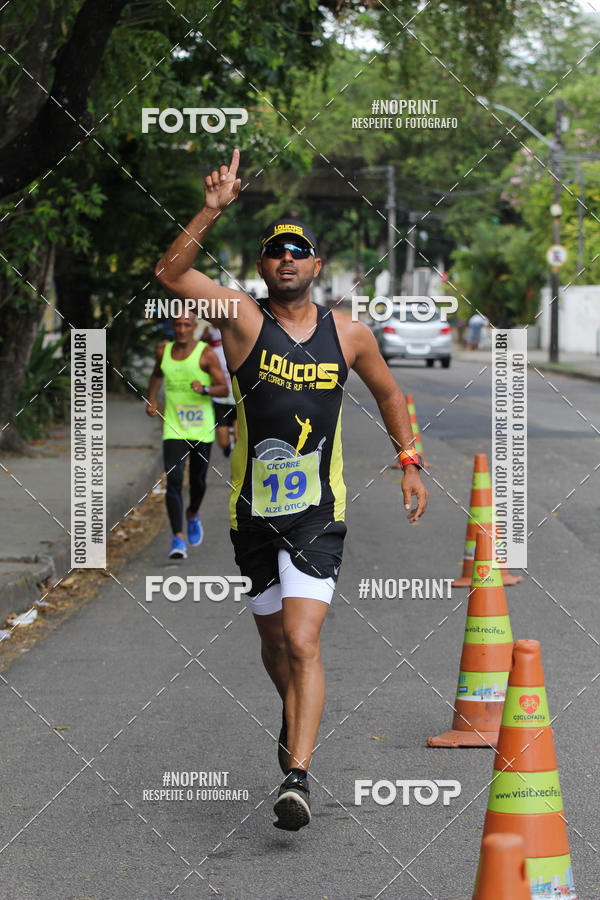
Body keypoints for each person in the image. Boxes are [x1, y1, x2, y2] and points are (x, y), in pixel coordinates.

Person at [154, 148, 428, 831]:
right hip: (252, 513)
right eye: (276, 252)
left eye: (298, 252)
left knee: (304, 641)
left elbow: (390, 395)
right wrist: (211, 210)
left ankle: (297, 777)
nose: (286, 260)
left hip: (317, 515)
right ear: (262, 266)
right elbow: (171, 274)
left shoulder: (350, 334)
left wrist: (410, 460)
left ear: (316, 264)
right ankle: (294, 710)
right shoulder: (242, 319)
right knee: (276, 646)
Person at [146, 311, 227, 559]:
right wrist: (151, 399)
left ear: (194, 327)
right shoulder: (164, 351)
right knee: (174, 479)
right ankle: (178, 538)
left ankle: (192, 513)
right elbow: (157, 374)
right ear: (173, 327)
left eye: (186, 325)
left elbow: (224, 388)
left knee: (198, 482)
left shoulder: (206, 354)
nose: (181, 330)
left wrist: (204, 389)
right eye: (177, 325)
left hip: (202, 428)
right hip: (174, 426)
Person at [201, 322, 238, 457]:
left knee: (239, 436)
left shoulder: (234, 326)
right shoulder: (208, 330)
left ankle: (238, 459)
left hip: (237, 397)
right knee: (223, 442)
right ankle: (228, 447)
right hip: (220, 399)